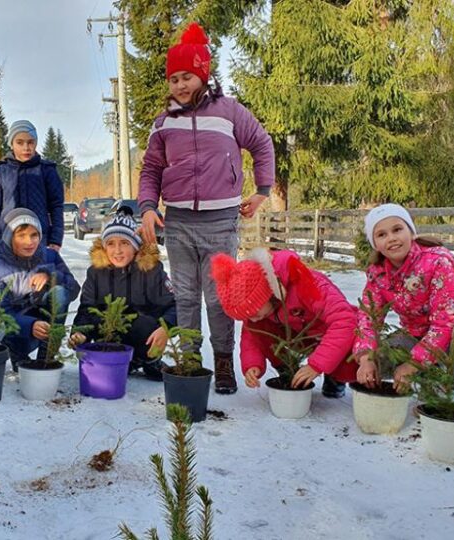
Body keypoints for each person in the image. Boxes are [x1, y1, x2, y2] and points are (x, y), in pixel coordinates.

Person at [137, 22, 276, 394]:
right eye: (174, 79)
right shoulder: (164, 122)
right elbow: (151, 168)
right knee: (184, 296)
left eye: (187, 77)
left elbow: (262, 144)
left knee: (217, 298)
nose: (180, 85)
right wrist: (149, 206)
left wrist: (263, 189)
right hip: (179, 221)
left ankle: (224, 361)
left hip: (220, 222)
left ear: (203, 75)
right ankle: (190, 360)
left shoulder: (229, 112)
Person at [353, 204, 454, 393]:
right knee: (377, 360)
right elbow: (369, 318)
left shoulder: (438, 261)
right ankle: (422, 377)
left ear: (410, 231)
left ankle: (448, 386)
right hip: (417, 335)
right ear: (375, 243)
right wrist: (366, 358)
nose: (391, 238)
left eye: (397, 229)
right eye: (381, 235)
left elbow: (445, 322)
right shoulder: (378, 274)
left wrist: (413, 364)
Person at [211, 249, 356, 397]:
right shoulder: (263, 311)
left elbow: (344, 321)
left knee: (348, 359)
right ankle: (287, 370)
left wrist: (317, 365)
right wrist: (252, 365)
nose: (253, 318)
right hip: (300, 335)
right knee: (257, 328)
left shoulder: (306, 283)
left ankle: (335, 377)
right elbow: (250, 337)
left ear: (265, 293)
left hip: (330, 335)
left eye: (254, 312)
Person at [70, 208, 176, 380]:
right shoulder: (96, 272)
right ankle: (119, 361)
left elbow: (172, 305)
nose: (117, 250)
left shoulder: (151, 269)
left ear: (135, 246)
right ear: (104, 247)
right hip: (109, 334)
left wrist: (166, 328)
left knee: (145, 324)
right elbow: (87, 308)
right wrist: (79, 333)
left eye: (124, 243)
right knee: (97, 319)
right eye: (111, 243)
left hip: (142, 334)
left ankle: (149, 360)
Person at [0, 208, 79, 370]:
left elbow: (74, 288)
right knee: (9, 338)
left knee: (60, 293)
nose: (29, 242)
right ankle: (17, 355)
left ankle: (47, 356)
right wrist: (30, 325)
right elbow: (1, 312)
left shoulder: (50, 256)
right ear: (9, 237)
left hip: (46, 322)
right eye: (21, 236)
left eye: (34, 235)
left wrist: (51, 276)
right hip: (16, 329)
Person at [0, 120, 64, 255]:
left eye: (30, 142)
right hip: (7, 240)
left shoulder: (47, 171)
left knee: (39, 275)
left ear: (36, 143)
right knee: (9, 276)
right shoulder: (0, 172)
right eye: (20, 142)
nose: (26, 147)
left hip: (39, 240)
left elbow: (56, 206)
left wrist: (55, 240)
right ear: (12, 144)